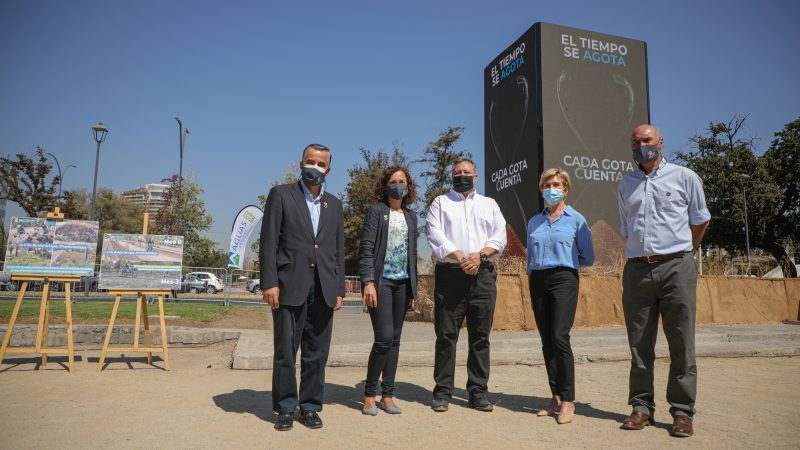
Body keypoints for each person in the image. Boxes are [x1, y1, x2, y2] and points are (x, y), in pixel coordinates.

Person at [617, 125, 710, 438]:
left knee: (681, 343)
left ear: (660, 143)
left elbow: (701, 219)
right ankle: (641, 408)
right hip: (637, 270)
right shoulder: (625, 183)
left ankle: (682, 412)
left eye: (647, 140)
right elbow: (626, 229)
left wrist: (686, 250)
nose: (642, 145)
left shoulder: (685, 177)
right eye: (636, 141)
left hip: (676, 268)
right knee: (639, 345)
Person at [259, 143, 345, 431]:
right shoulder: (281, 195)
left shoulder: (335, 204)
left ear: (328, 169)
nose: (315, 167)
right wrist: (270, 282)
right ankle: (285, 407)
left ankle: (309, 406)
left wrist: (340, 288)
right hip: (288, 286)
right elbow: (268, 242)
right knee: (286, 351)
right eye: (311, 161)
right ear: (301, 164)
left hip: (324, 288)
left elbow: (337, 249)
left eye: (321, 164)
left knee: (317, 352)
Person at [425, 158, 507, 412]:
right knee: (446, 335)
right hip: (450, 275)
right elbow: (434, 234)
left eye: (467, 172)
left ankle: (477, 392)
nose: (462, 175)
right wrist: (461, 256)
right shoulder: (440, 203)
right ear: (452, 176)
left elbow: (500, 237)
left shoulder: (489, 204)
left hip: (482, 274)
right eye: (458, 172)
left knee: (480, 336)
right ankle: (443, 392)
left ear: (476, 176)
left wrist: (479, 256)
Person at [526, 168, 594, 425]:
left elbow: (587, 256)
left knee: (559, 337)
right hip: (538, 280)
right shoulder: (534, 222)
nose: (551, 188)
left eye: (556, 184)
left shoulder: (577, 220)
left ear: (566, 189)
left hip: (565, 278)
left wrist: (566, 264)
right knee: (546, 340)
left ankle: (568, 400)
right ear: (541, 189)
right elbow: (530, 257)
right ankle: (555, 396)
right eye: (546, 184)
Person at [358, 166, 418, 416]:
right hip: (381, 283)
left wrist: (414, 289)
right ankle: (370, 394)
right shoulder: (377, 212)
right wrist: (368, 282)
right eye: (393, 181)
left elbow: (412, 254)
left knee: (395, 341)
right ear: (386, 186)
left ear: (408, 186)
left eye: (402, 181)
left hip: (403, 284)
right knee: (383, 339)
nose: (398, 185)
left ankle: (388, 395)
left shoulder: (412, 216)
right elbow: (367, 249)